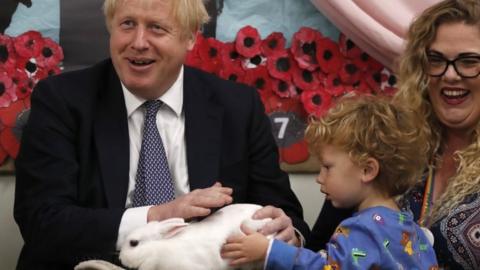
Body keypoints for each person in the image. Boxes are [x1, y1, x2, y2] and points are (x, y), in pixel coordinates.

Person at [13, 0, 309, 269]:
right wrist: (159, 215)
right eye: (127, 24)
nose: (139, 42)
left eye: (156, 28)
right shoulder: (61, 100)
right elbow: (42, 221)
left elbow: (287, 215)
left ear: (191, 36)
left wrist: (286, 234)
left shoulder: (238, 106)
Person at [307, 0, 480, 268]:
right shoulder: (387, 140)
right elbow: (321, 246)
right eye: (435, 60)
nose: (450, 75)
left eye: (469, 61)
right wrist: (283, 241)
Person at [221, 95, 438, 269]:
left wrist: (268, 251)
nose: (319, 178)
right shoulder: (413, 230)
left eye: (327, 167)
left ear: (367, 170)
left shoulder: (364, 229)